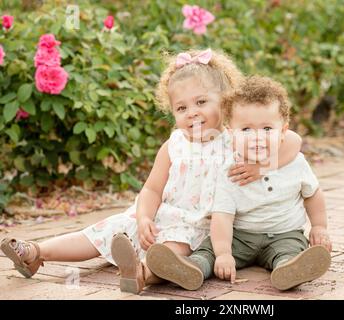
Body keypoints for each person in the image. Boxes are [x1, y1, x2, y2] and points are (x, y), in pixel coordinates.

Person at [1, 50, 303, 294]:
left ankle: (141, 273)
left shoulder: (234, 139)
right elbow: (152, 189)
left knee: (171, 253)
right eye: (181, 108)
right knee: (100, 233)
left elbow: (293, 141)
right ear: (172, 112)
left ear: (225, 103)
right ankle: (34, 251)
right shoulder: (173, 144)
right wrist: (144, 217)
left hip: (198, 227)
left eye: (201, 102)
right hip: (157, 218)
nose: (192, 112)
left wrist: (260, 165)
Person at [146, 76, 332, 291]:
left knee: (290, 251)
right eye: (246, 130)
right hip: (240, 236)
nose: (257, 137)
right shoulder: (230, 169)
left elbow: (313, 194)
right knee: (209, 251)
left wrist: (319, 227)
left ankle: (289, 270)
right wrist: (224, 254)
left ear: (283, 132)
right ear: (231, 133)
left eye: (267, 129)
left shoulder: (295, 163)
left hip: (284, 233)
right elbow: (222, 217)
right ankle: (191, 268)